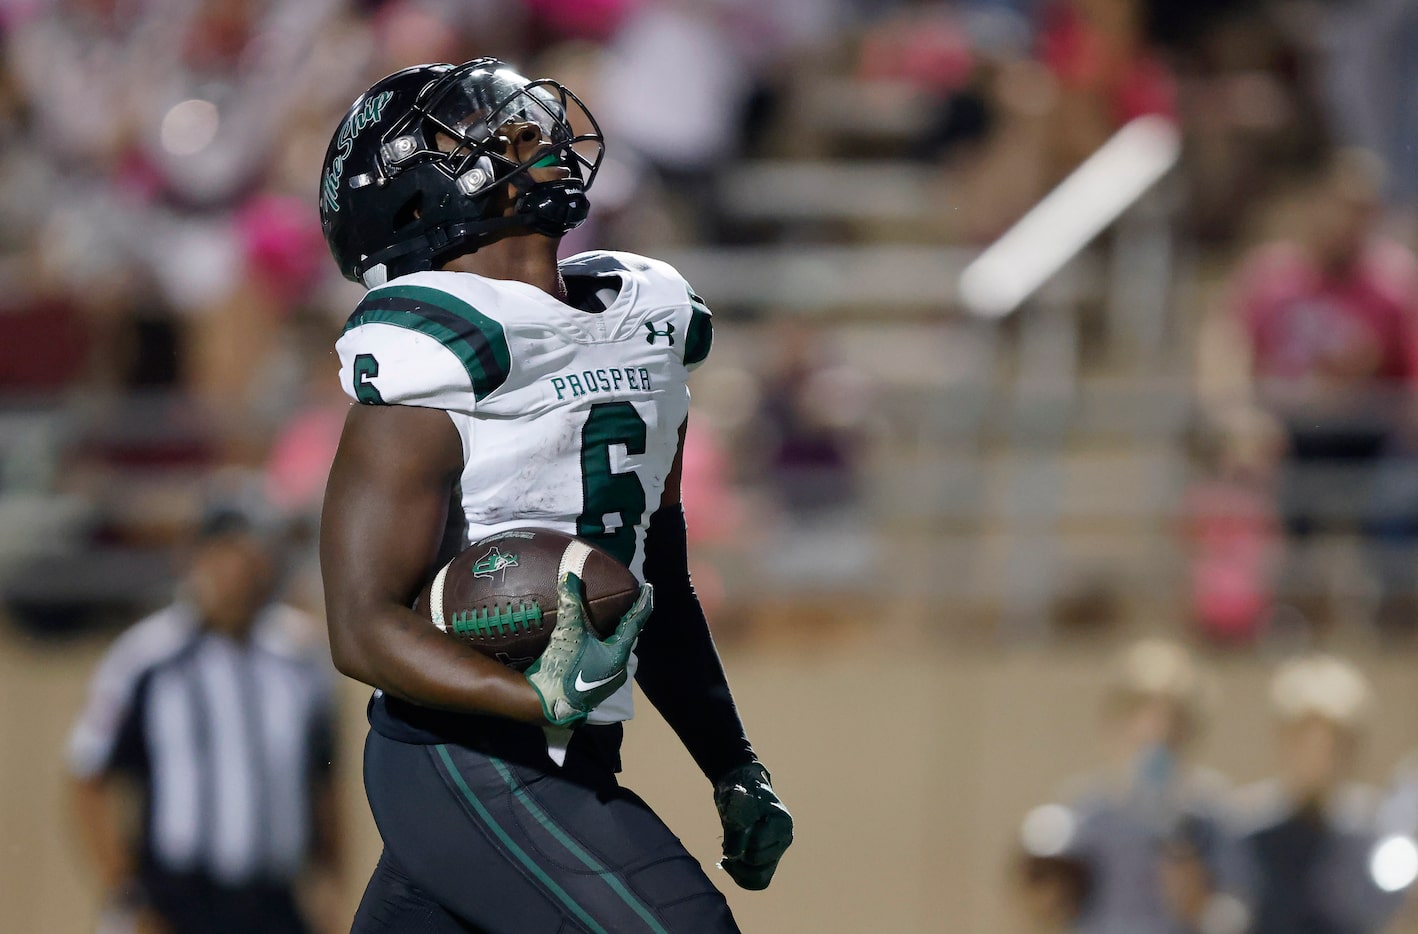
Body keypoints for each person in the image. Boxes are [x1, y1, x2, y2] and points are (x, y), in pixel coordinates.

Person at [316, 58, 793, 932]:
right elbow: (361, 626)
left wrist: (730, 762)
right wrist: (538, 697)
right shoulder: (434, 358)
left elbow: (659, 584)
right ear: (411, 200)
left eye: (528, 122)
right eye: (486, 130)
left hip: (574, 762)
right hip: (462, 755)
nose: (532, 134)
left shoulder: (644, 321)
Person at [66, 504, 344, 934]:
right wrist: (125, 895)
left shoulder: (301, 660)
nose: (236, 574)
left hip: (275, 898)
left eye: (248, 557)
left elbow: (322, 781)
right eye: (222, 557)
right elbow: (88, 781)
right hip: (176, 898)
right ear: (193, 560)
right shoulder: (146, 657)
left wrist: (332, 887)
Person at [1226, 148, 1418, 637]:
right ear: (1316, 205)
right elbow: (1228, 352)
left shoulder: (1397, 281)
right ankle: (1284, 608)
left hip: (1376, 432)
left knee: (1403, 488)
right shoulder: (1271, 276)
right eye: (1340, 205)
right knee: (1263, 474)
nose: (1348, 220)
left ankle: (1398, 606)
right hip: (1292, 430)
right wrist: (1241, 414)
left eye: (1362, 209)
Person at [1012, 638, 1249, 934]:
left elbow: (1237, 912)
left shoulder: (1211, 811)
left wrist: (1200, 905)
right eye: (1143, 723)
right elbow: (1052, 907)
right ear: (1118, 725)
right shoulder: (1086, 812)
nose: (1156, 735)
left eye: (1171, 728)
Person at [1232, 653, 1404, 933]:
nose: (1320, 758)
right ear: (1285, 741)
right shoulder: (1247, 825)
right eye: (1307, 743)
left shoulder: (1374, 829)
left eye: (1335, 746)